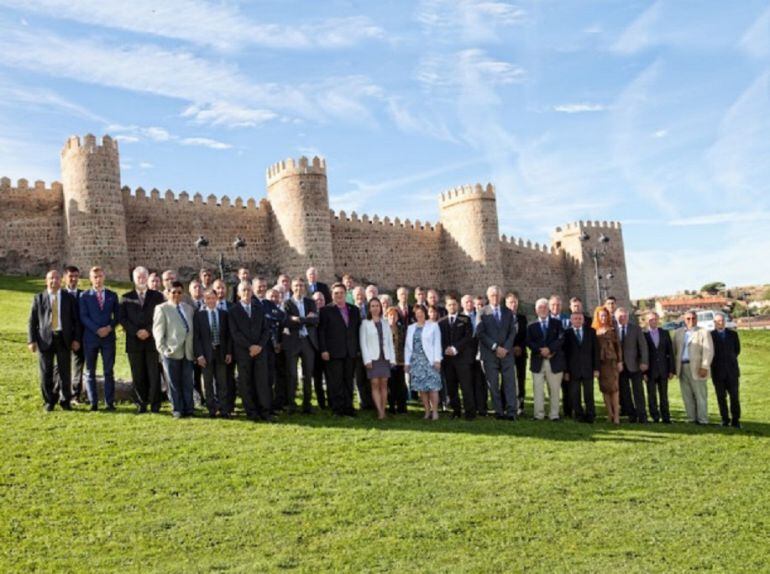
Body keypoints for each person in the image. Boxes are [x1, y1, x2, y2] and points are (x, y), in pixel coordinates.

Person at [27, 269, 80, 411]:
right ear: (46, 281)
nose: (54, 281)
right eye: (51, 278)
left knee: (65, 372)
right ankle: (49, 401)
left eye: (57, 278)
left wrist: (76, 339)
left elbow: (76, 321)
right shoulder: (39, 298)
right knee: (46, 372)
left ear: (61, 280)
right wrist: (31, 341)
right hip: (45, 340)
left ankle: (65, 401)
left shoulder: (69, 298)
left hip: (64, 339)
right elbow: (32, 321)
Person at [119, 266, 165, 413]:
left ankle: (155, 404)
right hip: (134, 341)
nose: (141, 279)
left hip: (152, 341)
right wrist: (136, 331)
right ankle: (141, 404)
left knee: (154, 374)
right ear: (134, 279)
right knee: (138, 375)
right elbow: (122, 319)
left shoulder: (157, 296)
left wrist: (149, 330)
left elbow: (160, 318)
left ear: (147, 278)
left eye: (144, 277)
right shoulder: (126, 297)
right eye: (138, 277)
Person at [229, 281, 274, 422]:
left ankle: (265, 411)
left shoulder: (259, 308)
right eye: (244, 290)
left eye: (249, 290)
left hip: (260, 351)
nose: (247, 292)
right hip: (244, 352)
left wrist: (259, 346)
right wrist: (250, 347)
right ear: (238, 293)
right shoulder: (233, 310)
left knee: (262, 382)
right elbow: (235, 333)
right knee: (246, 382)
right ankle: (251, 412)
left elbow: (266, 329)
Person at [153, 281, 195, 418]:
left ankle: (189, 408)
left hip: (187, 351)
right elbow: (158, 332)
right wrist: (163, 350)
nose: (176, 295)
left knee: (187, 382)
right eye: (173, 292)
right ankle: (177, 409)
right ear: (168, 293)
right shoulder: (162, 308)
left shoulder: (188, 308)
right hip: (171, 351)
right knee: (173, 383)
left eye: (179, 292)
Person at [80, 266, 120, 411]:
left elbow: (118, 316)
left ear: (104, 277)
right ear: (91, 279)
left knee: (108, 371)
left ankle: (109, 402)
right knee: (90, 371)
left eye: (100, 276)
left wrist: (109, 328)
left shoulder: (112, 295)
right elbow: (83, 316)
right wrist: (97, 329)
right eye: (95, 277)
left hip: (108, 338)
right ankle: (93, 402)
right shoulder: (84, 296)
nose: (98, 279)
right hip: (91, 338)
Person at [319, 282, 361, 417]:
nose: (339, 295)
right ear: (332, 295)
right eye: (336, 293)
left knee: (349, 381)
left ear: (345, 294)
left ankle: (349, 407)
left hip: (350, 351)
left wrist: (358, 349)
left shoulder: (354, 310)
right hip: (333, 352)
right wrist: (324, 350)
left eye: (341, 293)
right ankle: (337, 409)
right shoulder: (326, 310)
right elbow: (322, 332)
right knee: (335, 382)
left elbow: (357, 330)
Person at [477, 286, 518, 420]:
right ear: (488, 297)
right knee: (493, 384)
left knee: (509, 383)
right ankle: (499, 411)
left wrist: (505, 348)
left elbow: (512, 332)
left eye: (497, 295)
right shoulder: (482, 312)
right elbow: (480, 333)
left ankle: (512, 412)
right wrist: (495, 347)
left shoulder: (508, 312)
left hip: (506, 354)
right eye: (492, 295)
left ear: (501, 297)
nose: (495, 298)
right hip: (489, 354)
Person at [282, 277, 319, 414]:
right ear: (292, 287)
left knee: (308, 375)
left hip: (308, 342)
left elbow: (315, 320)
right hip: (292, 343)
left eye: (301, 286)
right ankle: (291, 404)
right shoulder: (287, 303)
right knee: (292, 374)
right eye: (296, 286)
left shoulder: (310, 302)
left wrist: (298, 319)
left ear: (305, 288)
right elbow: (286, 322)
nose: (299, 288)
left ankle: (307, 404)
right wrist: (305, 320)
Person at [194, 288, 232, 418]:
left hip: (221, 352)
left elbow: (228, 335)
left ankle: (223, 409)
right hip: (206, 354)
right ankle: (211, 409)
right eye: (207, 298)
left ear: (217, 299)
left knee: (222, 383)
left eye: (212, 298)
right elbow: (196, 337)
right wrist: (199, 355)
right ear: (204, 300)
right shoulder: (199, 315)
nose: (210, 301)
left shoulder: (223, 314)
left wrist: (228, 352)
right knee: (208, 383)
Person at [526, 298, 565, 421]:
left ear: (548, 309)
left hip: (554, 360)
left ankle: (554, 414)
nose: (542, 310)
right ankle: (539, 414)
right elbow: (528, 341)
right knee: (538, 389)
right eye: (540, 308)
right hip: (538, 361)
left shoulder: (557, 324)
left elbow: (561, 338)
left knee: (554, 389)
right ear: (536, 310)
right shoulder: (531, 325)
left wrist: (550, 349)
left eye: (544, 307)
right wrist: (540, 350)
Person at [673, 310, 714, 425]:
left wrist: (704, 366)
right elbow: (674, 351)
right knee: (687, 395)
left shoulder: (703, 332)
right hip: (682, 367)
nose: (691, 321)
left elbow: (708, 350)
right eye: (688, 318)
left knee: (700, 395)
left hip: (697, 367)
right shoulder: (678, 333)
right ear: (684, 320)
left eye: (693, 318)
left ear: (697, 319)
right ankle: (691, 418)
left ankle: (703, 419)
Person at [439, 295, 476, 419]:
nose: (452, 307)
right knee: (451, 387)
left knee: (466, 386)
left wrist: (455, 348)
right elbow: (440, 339)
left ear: (458, 305)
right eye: (449, 305)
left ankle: (470, 413)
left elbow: (468, 337)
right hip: (448, 360)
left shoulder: (465, 320)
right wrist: (446, 349)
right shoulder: (441, 322)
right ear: (446, 306)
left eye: (454, 304)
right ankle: (456, 411)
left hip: (462, 359)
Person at [359, 297, 396, 420]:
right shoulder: (365, 323)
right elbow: (363, 343)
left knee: (384, 384)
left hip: (384, 357)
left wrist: (392, 359)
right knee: (375, 384)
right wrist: (367, 360)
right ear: (369, 308)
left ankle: (383, 410)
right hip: (372, 358)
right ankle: (380, 412)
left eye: (377, 306)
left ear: (380, 308)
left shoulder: (385, 323)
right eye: (373, 306)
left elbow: (390, 342)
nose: (375, 308)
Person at [405, 304, 443, 420]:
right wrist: (407, 362)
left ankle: (435, 411)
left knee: (433, 387)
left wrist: (437, 360)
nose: (419, 315)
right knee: (422, 388)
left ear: (425, 314)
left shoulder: (433, 326)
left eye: (421, 313)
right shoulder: (411, 328)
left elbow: (437, 343)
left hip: (430, 361)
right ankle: (427, 411)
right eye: (417, 314)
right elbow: (407, 346)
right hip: (416, 361)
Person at [254, 277, 286, 412]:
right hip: (255, 347)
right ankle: (258, 406)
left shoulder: (269, 304)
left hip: (270, 347)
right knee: (257, 379)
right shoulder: (250, 303)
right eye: (259, 286)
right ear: (253, 287)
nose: (262, 289)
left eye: (264, 286)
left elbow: (281, 317)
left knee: (269, 378)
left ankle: (268, 406)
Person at [563, 312, 599, 423]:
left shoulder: (591, 332)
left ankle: (590, 415)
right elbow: (565, 354)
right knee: (575, 394)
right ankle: (579, 415)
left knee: (589, 394)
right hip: (573, 370)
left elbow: (596, 351)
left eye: (579, 319)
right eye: (575, 319)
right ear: (571, 321)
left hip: (588, 368)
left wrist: (596, 368)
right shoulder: (567, 333)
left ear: (583, 320)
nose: (578, 321)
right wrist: (566, 371)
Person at [616, 307, 649, 423]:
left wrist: (644, 362)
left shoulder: (636, 329)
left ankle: (642, 416)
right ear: (616, 317)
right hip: (620, 367)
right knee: (625, 393)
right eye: (620, 316)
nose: (622, 318)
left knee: (638, 392)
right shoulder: (613, 330)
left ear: (628, 316)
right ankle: (632, 415)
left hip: (635, 365)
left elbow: (643, 346)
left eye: (624, 316)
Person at [710, 313, 741, 428]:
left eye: (722, 320)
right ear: (714, 323)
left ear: (725, 321)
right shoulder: (711, 336)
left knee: (734, 397)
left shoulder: (733, 334)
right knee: (721, 397)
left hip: (732, 371)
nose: (720, 323)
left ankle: (736, 420)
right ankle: (725, 420)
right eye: (717, 321)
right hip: (718, 372)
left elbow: (737, 350)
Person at [644, 311, 675, 423]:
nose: (653, 321)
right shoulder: (644, 334)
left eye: (655, 319)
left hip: (663, 369)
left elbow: (670, 352)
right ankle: (655, 417)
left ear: (658, 320)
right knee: (651, 395)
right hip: (650, 371)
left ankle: (666, 417)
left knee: (664, 395)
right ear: (646, 321)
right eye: (650, 319)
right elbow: (641, 354)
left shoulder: (665, 333)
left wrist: (672, 370)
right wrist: (643, 373)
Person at [593, 306, 622, 424]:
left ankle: (617, 416)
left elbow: (618, 347)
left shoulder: (613, 330)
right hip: (601, 363)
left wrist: (620, 361)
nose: (603, 318)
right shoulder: (594, 331)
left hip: (612, 362)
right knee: (605, 389)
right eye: (601, 316)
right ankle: (609, 413)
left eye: (605, 315)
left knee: (614, 389)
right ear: (598, 317)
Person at [60, 265, 85, 402]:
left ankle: (76, 395)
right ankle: (61, 392)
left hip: (79, 337)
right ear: (64, 278)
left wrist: (77, 338)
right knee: (61, 366)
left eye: (76, 276)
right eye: (71, 276)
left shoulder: (84, 295)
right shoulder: (59, 295)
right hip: (62, 337)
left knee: (78, 367)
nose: (74, 279)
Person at [463, 294, 487, 416]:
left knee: (480, 381)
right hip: (465, 354)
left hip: (480, 352)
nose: (470, 304)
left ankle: (482, 407)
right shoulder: (461, 317)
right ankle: (471, 406)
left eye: (470, 302)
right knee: (468, 381)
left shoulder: (480, 316)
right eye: (466, 302)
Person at [548, 295, 572, 417]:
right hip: (551, 356)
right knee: (553, 387)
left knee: (567, 385)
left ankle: (568, 410)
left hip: (566, 355)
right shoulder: (545, 320)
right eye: (553, 305)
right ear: (549, 306)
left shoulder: (568, 319)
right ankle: (554, 410)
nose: (555, 307)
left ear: (561, 306)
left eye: (558, 305)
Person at [506, 292, 528, 416]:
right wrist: (511, 348)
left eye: (515, 302)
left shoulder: (522, 318)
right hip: (508, 353)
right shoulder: (503, 318)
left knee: (521, 379)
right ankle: (508, 404)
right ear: (506, 304)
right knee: (507, 379)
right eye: (511, 302)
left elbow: (526, 335)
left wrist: (520, 347)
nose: (513, 305)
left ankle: (521, 405)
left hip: (521, 353)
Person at [351, 286, 373, 409]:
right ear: (353, 296)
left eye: (361, 294)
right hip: (357, 348)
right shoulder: (350, 309)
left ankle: (371, 402)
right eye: (357, 295)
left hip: (370, 348)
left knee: (370, 377)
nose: (359, 297)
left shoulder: (369, 310)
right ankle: (363, 402)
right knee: (359, 377)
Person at [385, 306, 408, 414]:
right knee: (390, 385)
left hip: (400, 361)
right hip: (388, 361)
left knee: (401, 385)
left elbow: (405, 345)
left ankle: (402, 407)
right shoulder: (384, 329)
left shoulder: (402, 329)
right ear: (387, 316)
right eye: (390, 315)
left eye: (395, 315)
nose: (393, 317)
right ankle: (391, 407)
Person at [311, 291, 328, 409]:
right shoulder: (310, 314)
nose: (319, 302)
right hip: (314, 351)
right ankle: (321, 402)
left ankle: (332, 400)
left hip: (327, 350)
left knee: (330, 378)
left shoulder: (329, 313)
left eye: (321, 300)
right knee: (317, 379)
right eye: (316, 300)